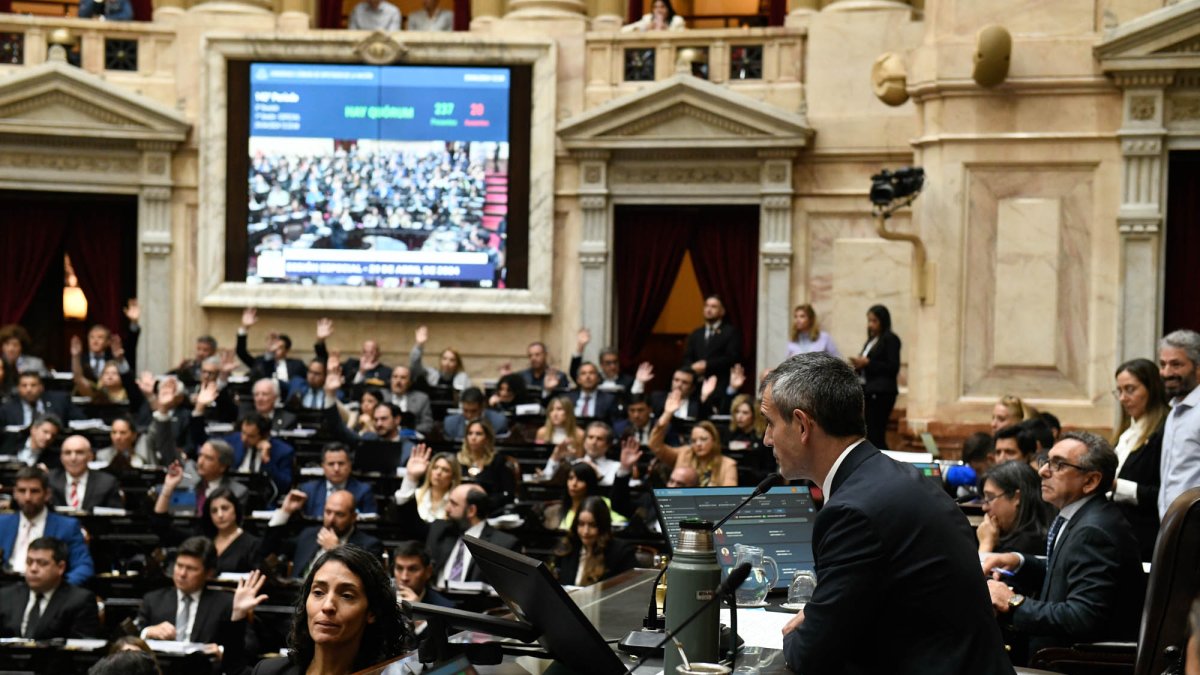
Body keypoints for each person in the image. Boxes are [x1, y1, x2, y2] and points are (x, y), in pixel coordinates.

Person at [760, 352, 1011, 674]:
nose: (767, 439)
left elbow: (811, 655)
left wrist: (797, 632)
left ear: (802, 425)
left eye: (770, 423)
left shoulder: (852, 512)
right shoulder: (898, 477)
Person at [984, 432, 1147, 658]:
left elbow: (1081, 617)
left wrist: (1011, 602)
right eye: (1047, 461)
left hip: (1069, 662)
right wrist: (1019, 561)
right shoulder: (1084, 516)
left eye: (1058, 465)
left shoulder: (1094, 532)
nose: (1042, 471)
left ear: (1090, 481)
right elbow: (1062, 572)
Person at [251, 545, 412, 675]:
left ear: (372, 612)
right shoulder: (267, 671)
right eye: (318, 593)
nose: (327, 606)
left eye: (347, 596)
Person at [138, 537, 266, 672]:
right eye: (179, 565)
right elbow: (128, 638)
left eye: (191, 568)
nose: (182, 574)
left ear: (209, 573)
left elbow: (251, 645)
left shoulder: (226, 603)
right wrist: (147, 632)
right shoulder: (153, 599)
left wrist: (223, 651)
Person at [1111, 357, 1167, 561]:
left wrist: (1117, 486)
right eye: (1119, 391)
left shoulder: (1163, 432)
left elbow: (1162, 493)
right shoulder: (1126, 432)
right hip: (1120, 533)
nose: (1123, 398)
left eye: (1130, 389)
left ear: (1151, 389)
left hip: (1146, 538)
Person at [0, 467, 94, 586]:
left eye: (34, 491)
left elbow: (84, 567)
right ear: (15, 493)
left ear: (47, 494)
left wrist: (60, 589)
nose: (27, 497)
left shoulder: (67, 526)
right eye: (22, 491)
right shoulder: (2, 523)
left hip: (49, 591)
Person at [265, 489, 384, 578]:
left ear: (353, 517)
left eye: (339, 514)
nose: (331, 519)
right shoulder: (309, 535)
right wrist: (285, 511)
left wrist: (337, 550)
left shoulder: (369, 545)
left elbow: (368, 580)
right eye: (328, 512)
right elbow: (270, 548)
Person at [154, 477, 263, 573]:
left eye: (225, 508)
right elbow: (162, 528)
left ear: (236, 510)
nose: (220, 515)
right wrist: (168, 487)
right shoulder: (202, 538)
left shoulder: (252, 544)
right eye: (214, 511)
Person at [0, 536, 100, 639]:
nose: (33, 569)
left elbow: (82, 647)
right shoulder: (5, 596)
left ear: (61, 567)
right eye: (29, 562)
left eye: (42, 563)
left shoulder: (79, 600)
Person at [427, 484, 520, 586]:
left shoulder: (503, 545)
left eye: (453, 504)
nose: (447, 509)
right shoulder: (440, 530)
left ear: (471, 511)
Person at [650, 391, 737, 487]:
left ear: (714, 441)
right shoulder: (684, 454)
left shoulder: (728, 465)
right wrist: (667, 414)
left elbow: (730, 495)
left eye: (703, 439)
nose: (698, 444)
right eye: (694, 441)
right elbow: (655, 445)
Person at [1158, 329, 1200, 519]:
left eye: (1176, 364)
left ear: (1197, 367)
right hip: (1172, 527)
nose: (1166, 373)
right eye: (1163, 364)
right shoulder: (1174, 410)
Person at [848, 304, 901, 450]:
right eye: (869, 320)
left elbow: (892, 367)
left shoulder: (890, 339)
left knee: (877, 433)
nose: (870, 324)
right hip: (868, 390)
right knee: (870, 433)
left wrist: (868, 363)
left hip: (882, 392)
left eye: (874, 321)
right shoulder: (871, 340)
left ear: (883, 321)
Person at [976, 460, 1055, 556]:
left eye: (990, 497)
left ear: (1016, 498)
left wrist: (986, 544)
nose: (984, 507)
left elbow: (979, 571)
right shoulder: (1007, 536)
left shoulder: (1026, 545)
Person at [551, 496, 636, 586]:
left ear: (603, 526)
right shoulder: (568, 547)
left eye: (592, 525)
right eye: (581, 524)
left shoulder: (621, 552)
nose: (585, 531)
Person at [296, 443, 377, 518]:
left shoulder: (363, 491)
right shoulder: (308, 490)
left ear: (349, 465)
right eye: (331, 464)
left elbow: (369, 525)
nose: (336, 469)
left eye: (341, 463)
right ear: (323, 466)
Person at [236, 308, 307, 394]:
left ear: (286, 350)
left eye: (279, 347)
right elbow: (241, 352)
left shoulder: (297, 365)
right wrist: (245, 328)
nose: (275, 349)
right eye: (273, 346)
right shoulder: (260, 362)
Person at [681, 295, 742, 389]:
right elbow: (687, 357)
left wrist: (707, 365)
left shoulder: (730, 332)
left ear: (722, 311)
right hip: (696, 385)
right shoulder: (696, 333)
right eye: (706, 306)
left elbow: (732, 358)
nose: (709, 309)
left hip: (720, 384)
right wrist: (692, 367)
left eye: (713, 306)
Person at [49, 435, 123, 511]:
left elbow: (115, 517)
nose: (73, 458)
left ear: (90, 456)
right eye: (68, 453)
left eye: (79, 452)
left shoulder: (107, 483)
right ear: (61, 457)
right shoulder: (49, 480)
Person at [456, 419, 517, 509]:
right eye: (470, 433)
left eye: (478, 434)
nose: (473, 437)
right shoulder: (458, 461)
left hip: (490, 509)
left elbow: (508, 493)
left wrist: (486, 503)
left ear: (487, 438)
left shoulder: (498, 461)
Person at [549, 462, 625, 531]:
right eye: (570, 478)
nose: (574, 484)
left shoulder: (602, 503)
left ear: (589, 483)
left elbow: (622, 523)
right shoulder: (560, 509)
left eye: (580, 480)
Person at [396, 445, 460, 522]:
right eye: (435, 467)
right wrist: (411, 477)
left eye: (445, 470)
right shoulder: (416, 494)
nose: (438, 472)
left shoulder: (457, 503)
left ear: (453, 476)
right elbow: (401, 507)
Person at [1, 372, 78, 427]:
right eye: (24, 385)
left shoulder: (60, 401)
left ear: (41, 387)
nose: (29, 389)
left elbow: (78, 422)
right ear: (18, 388)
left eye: (33, 385)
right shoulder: (7, 408)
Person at [392, 540, 454, 608]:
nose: (404, 577)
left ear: (428, 571)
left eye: (413, 569)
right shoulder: (381, 601)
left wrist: (416, 610)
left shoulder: (445, 609)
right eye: (399, 568)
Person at [410, 326, 471, 391]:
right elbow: (415, 366)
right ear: (440, 361)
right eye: (445, 359)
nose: (447, 363)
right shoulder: (431, 374)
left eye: (452, 360)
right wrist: (419, 345)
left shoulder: (463, 378)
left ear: (457, 363)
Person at [441, 387, 509, 440]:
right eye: (465, 410)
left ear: (482, 407)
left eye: (474, 411)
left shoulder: (499, 422)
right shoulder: (450, 424)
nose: (469, 415)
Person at [387, 366, 434, 435]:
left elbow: (428, 425)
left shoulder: (422, 399)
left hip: (411, 437)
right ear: (390, 379)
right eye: (395, 377)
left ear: (410, 382)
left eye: (403, 378)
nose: (398, 381)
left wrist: (408, 431)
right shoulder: (382, 396)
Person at [621, 0, 685, 32]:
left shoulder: (677, 20)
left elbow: (683, 36)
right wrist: (643, 29)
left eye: (662, 7)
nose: (659, 10)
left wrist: (667, 30)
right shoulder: (648, 19)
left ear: (668, 8)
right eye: (655, 7)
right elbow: (624, 30)